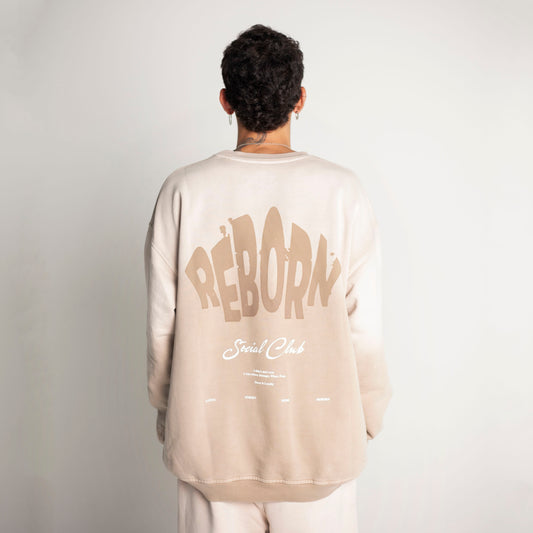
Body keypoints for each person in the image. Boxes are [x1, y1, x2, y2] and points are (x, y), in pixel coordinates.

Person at [144, 23, 393, 533]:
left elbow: (160, 329)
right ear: (299, 99)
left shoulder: (183, 191)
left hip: (210, 452)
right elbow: (364, 328)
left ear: (225, 100)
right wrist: (367, 418)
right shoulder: (342, 191)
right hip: (319, 453)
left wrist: (173, 418)